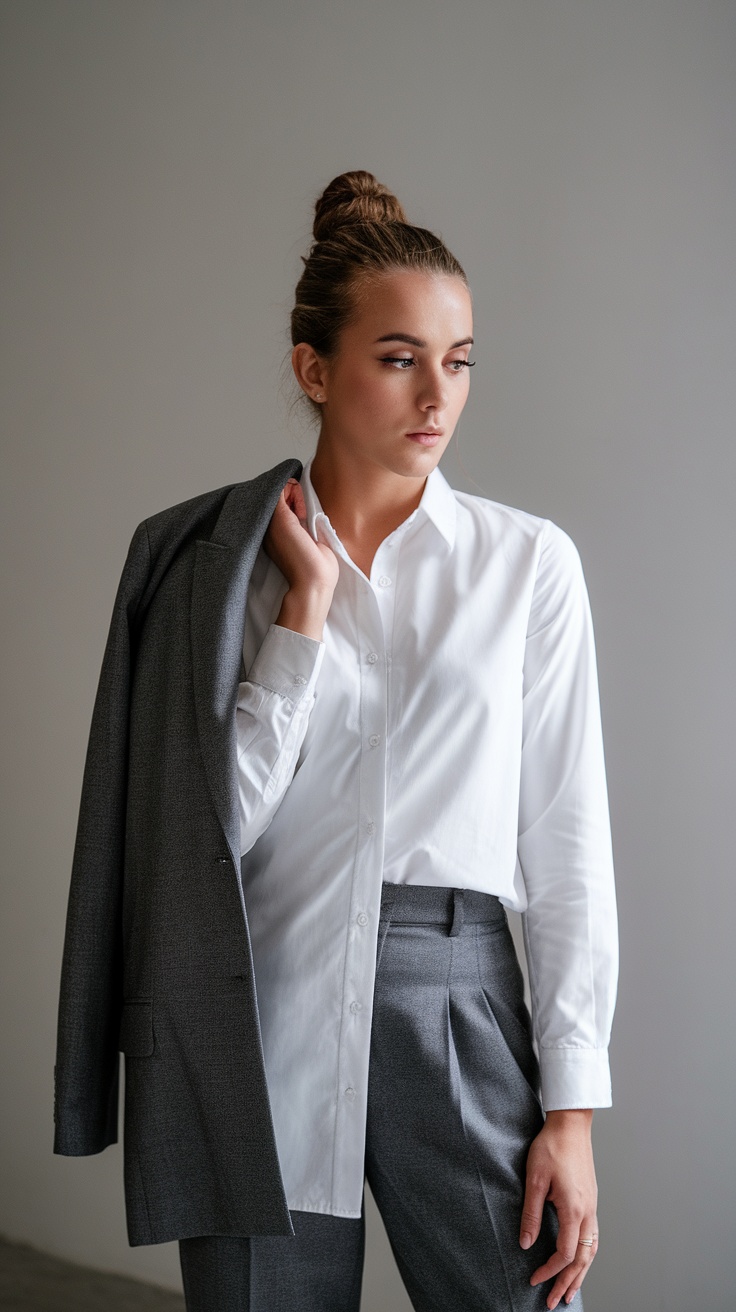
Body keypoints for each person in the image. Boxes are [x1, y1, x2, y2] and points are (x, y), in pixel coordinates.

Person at [54, 170, 617, 1312]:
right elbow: (209, 829)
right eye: (399, 356)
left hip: (454, 1002)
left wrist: (570, 1113)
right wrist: (302, 619)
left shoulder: (526, 567)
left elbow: (565, 845)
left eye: (457, 360)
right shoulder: (214, 569)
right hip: (257, 1006)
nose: (437, 396)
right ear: (316, 369)